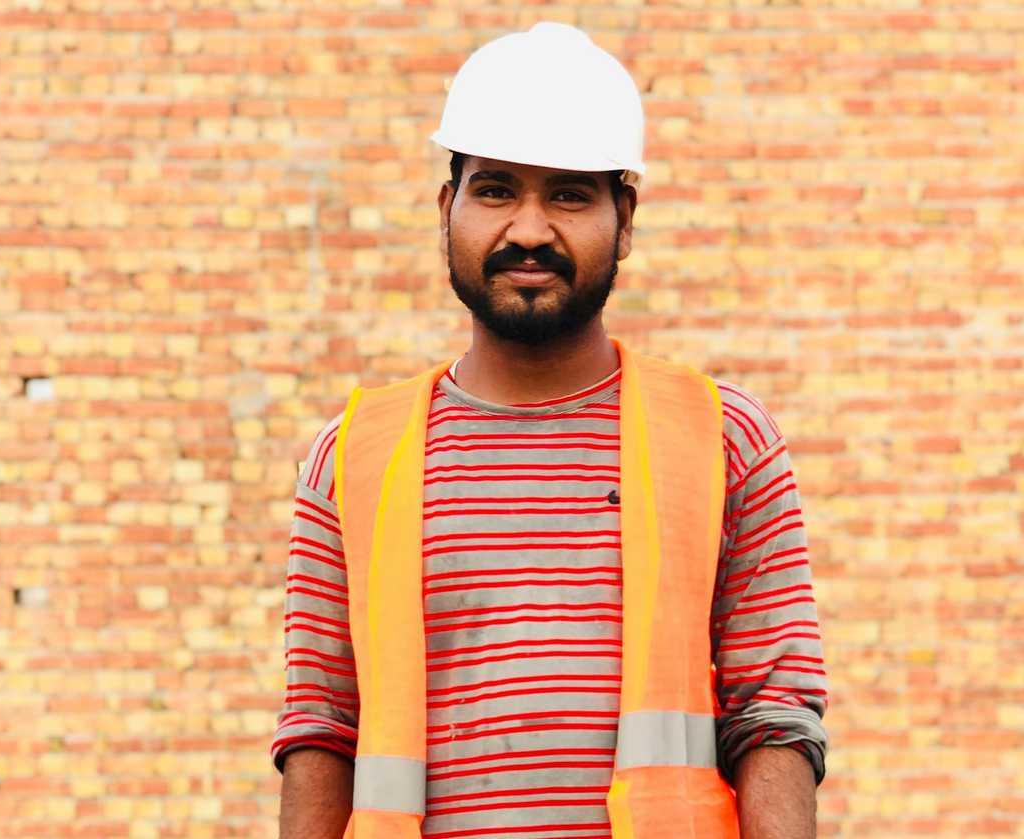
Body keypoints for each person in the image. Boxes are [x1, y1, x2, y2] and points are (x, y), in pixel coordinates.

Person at [271, 22, 828, 839]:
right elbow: (322, 729)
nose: (529, 230)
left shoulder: (724, 439)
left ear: (624, 217)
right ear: (447, 209)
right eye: (496, 190)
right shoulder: (352, 457)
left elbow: (775, 710)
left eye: (568, 194)